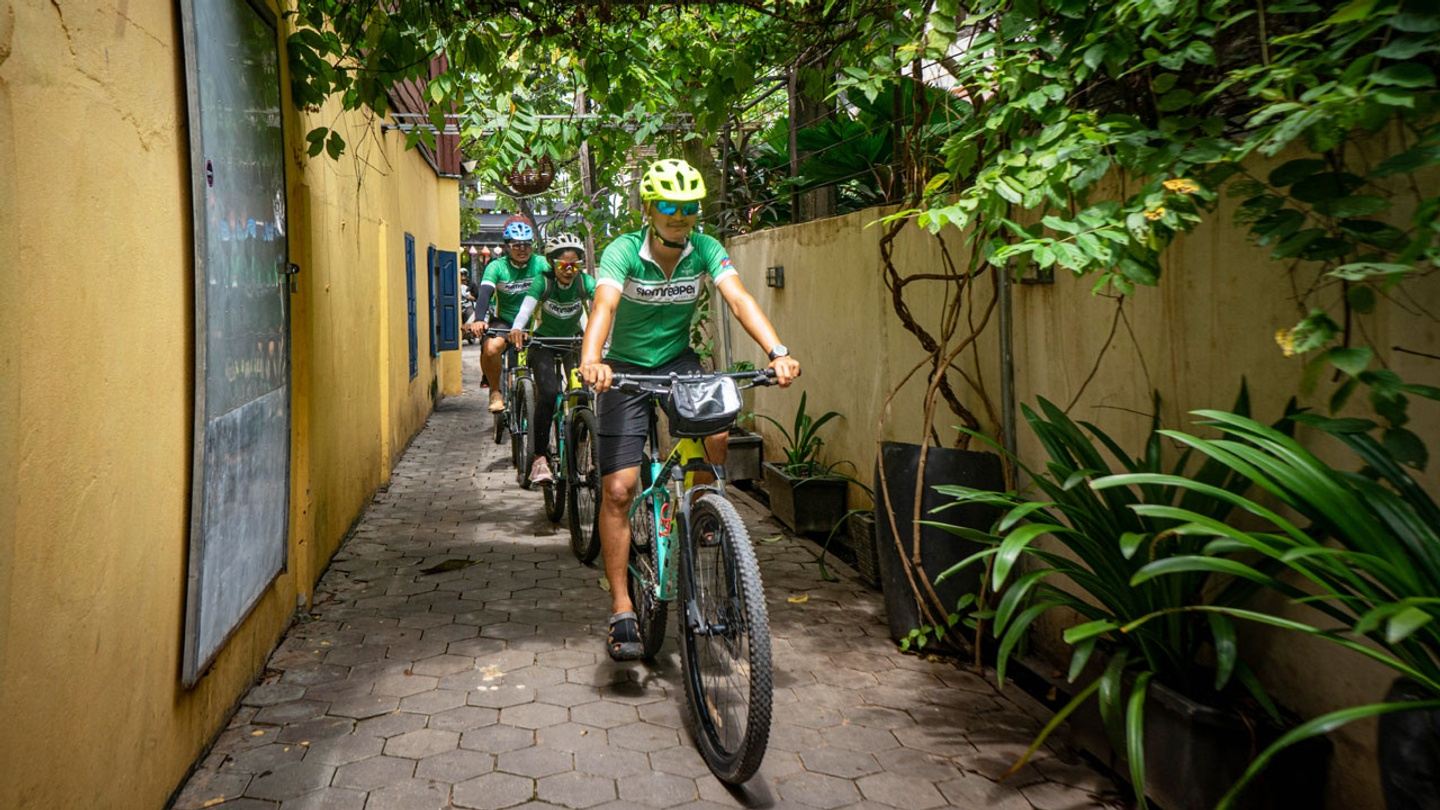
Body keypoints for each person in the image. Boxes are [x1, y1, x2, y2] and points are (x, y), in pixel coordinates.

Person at [579, 158, 800, 661]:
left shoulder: (704, 249)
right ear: (649, 208)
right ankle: (621, 609)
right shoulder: (623, 252)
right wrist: (592, 360)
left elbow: (738, 299)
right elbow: (605, 307)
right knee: (618, 489)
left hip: (678, 363)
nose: (680, 216)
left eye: (689, 208)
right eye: (670, 206)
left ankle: (701, 511)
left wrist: (778, 352)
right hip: (624, 370)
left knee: (718, 431)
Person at [509, 232, 596, 484]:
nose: (569, 270)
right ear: (551, 263)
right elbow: (526, 308)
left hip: (573, 343)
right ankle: (539, 459)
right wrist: (517, 328)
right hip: (543, 344)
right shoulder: (543, 282)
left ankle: (583, 453)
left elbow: (601, 303)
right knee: (548, 392)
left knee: (583, 393)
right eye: (562, 265)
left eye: (574, 264)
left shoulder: (584, 282)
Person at [475, 216, 547, 412]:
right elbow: (484, 293)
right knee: (491, 348)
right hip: (505, 322)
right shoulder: (496, 267)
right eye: (516, 245)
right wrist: (479, 319)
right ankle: (495, 391)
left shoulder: (541, 263)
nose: (522, 249)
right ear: (507, 247)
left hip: (536, 323)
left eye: (526, 245)